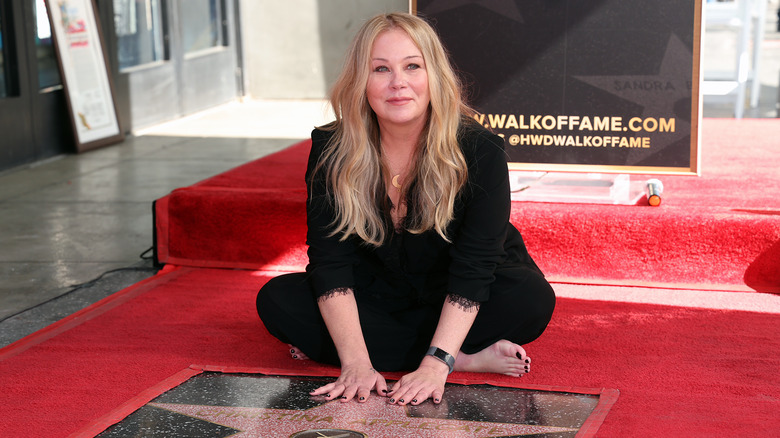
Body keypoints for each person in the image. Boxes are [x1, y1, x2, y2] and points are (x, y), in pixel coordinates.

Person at [256, 12, 555, 407]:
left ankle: (438, 355)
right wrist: (355, 363)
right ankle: (460, 358)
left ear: (434, 74)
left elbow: (476, 265)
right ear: (361, 81)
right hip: (376, 289)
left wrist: (435, 364)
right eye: (380, 69)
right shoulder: (332, 147)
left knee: (531, 299)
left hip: (459, 287)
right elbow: (329, 261)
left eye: (412, 66)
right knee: (277, 300)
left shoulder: (480, 149)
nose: (398, 82)